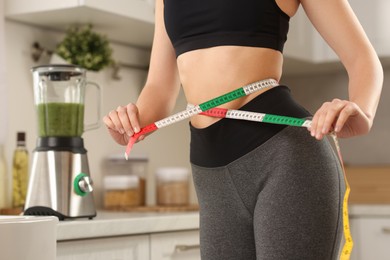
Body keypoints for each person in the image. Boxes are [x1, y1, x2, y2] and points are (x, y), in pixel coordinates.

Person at [103, 0, 383, 259]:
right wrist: (132, 123)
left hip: (284, 160)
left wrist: (363, 111)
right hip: (210, 171)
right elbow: (159, 88)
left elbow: (362, 58)